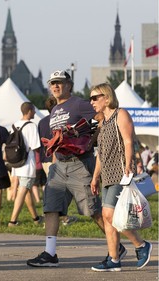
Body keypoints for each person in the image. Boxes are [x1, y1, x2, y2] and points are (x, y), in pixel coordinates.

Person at [26, 70, 109, 267]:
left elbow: (103, 117)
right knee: (51, 207)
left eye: (60, 83)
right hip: (59, 166)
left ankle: (116, 248)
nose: (55, 86)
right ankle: (50, 253)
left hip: (79, 164)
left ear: (69, 85)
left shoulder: (79, 103)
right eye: (53, 83)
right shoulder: (55, 109)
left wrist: (91, 140)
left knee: (92, 210)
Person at [89, 83, 152, 272]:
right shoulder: (103, 122)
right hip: (107, 175)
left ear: (106, 98)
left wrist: (128, 164)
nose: (91, 102)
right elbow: (101, 153)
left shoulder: (120, 114)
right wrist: (95, 177)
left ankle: (141, 245)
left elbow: (128, 140)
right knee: (108, 219)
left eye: (95, 98)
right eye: (90, 98)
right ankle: (114, 259)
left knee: (110, 215)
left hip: (120, 173)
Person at [37, 96, 78, 227]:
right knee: (61, 189)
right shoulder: (59, 121)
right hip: (58, 157)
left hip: (45, 158)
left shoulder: (41, 122)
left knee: (51, 187)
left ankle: (54, 216)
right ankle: (59, 216)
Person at [7, 102, 43, 227]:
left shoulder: (14, 125)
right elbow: (36, 147)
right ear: (29, 111)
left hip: (17, 162)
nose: (34, 113)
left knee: (26, 190)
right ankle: (13, 220)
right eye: (33, 110)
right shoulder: (31, 126)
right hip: (27, 163)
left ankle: (36, 218)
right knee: (23, 190)